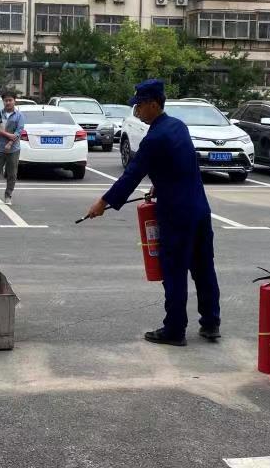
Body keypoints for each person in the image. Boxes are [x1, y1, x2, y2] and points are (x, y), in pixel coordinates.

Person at [84, 80, 221, 347]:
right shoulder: (178, 126)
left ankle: (175, 330)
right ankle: (211, 323)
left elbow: (132, 175)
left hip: (176, 216)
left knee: (174, 271)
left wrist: (103, 202)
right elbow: (181, 164)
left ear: (154, 104)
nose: (136, 111)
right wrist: (159, 185)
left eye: (139, 106)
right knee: (204, 267)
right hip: (199, 210)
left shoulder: (154, 138)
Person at [0, 91, 25, 206]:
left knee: (12, 174)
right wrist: (7, 135)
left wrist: (10, 143)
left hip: (13, 149)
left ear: (14, 101)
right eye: (6, 100)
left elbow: (18, 131)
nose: (8, 102)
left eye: (10, 100)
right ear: (3, 101)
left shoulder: (19, 116)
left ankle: (8, 196)